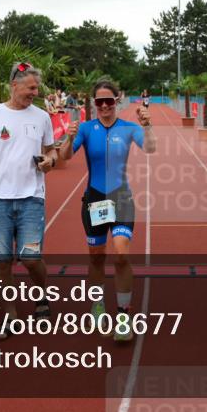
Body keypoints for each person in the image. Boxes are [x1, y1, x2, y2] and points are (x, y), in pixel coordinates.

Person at [58, 79, 156, 341]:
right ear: (94, 104)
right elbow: (66, 156)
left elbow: (150, 148)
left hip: (121, 197)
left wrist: (148, 127)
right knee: (96, 256)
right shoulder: (87, 129)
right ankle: (97, 304)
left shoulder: (129, 128)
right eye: (99, 101)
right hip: (95, 200)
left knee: (122, 254)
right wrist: (68, 137)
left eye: (108, 101)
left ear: (117, 101)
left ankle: (124, 314)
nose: (103, 106)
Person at [0, 62, 58, 338]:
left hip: (32, 197)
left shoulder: (42, 117)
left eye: (36, 87)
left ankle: (42, 295)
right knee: (2, 262)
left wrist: (49, 161)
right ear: (14, 85)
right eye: (31, 87)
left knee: (31, 259)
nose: (35, 92)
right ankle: (9, 315)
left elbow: (51, 152)